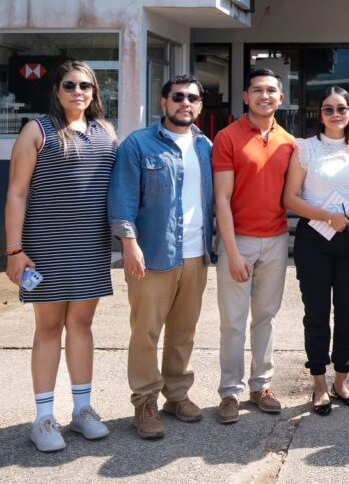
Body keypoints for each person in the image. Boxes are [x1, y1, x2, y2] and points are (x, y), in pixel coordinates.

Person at [4, 60, 118, 452]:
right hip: (45, 248)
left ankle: (83, 410)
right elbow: (17, 193)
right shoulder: (36, 131)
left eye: (85, 86)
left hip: (90, 247)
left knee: (83, 325)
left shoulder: (106, 132)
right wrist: (14, 250)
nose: (77, 92)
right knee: (49, 328)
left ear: (94, 92)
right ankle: (43, 417)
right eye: (69, 85)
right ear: (57, 90)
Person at [108, 75, 215, 438]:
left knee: (183, 331)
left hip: (196, 254)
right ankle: (145, 402)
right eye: (178, 97)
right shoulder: (138, 145)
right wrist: (129, 243)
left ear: (200, 105)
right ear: (164, 102)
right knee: (145, 333)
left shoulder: (206, 147)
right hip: (151, 253)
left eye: (193, 98)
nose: (186, 103)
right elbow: (122, 199)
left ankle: (177, 394)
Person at [212, 68, 296, 424]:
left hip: (276, 240)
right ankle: (229, 392)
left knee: (266, 318)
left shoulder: (290, 142)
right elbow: (222, 198)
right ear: (245, 96)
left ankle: (261, 385)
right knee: (233, 321)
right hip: (239, 240)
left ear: (281, 98)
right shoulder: (228, 138)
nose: (265, 96)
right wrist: (231, 252)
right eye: (257, 90)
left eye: (271, 91)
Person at [282, 87, 349, 416]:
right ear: (319, 113)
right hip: (314, 239)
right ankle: (319, 385)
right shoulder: (305, 148)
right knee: (316, 313)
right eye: (329, 109)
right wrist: (326, 216)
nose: (336, 115)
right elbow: (290, 198)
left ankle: (342, 382)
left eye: (342, 109)